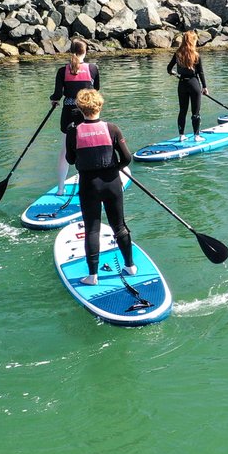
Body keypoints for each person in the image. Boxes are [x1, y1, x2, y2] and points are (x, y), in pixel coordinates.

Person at [63, 88, 136, 286]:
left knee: (92, 230)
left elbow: (70, 159)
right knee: (119, 226)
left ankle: (92, 276)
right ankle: (130, 266)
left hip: (89, 185)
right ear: (100, 105)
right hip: (112, 182)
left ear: (80, 108)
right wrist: (115, 168)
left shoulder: (73, 131)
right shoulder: (112, 128)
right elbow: (127, 158)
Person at [50, 39, 99, 196]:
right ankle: (89, 184)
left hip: (68, 114)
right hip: (87, 114)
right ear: (85, 51)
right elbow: (95, 89)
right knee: (88, 149)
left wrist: (54, 100)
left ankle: (60, 189)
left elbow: (57, 95)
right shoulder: (93, 68)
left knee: (65, 150)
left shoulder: (62, 71)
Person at [167, 30, 208, 142]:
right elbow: (200, 72)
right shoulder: (196, 55)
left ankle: (181, 136)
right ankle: (196, 136)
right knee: (195, 112)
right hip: (194, 83)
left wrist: (174, 73)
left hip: (182, 84)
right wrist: (204, 87)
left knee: (182, 111)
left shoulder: (177, 54)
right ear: (192, 41)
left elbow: (169, 69)